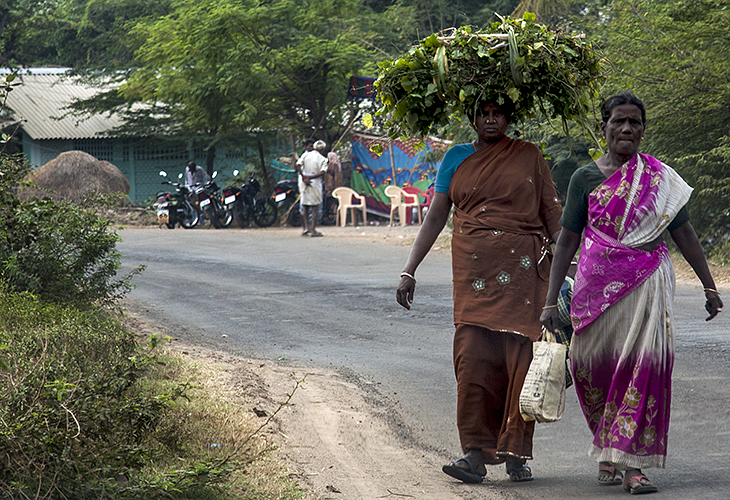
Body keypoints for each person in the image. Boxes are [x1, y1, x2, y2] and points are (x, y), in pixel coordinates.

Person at [540, 92, 723, 495]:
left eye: (634, 123)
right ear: (604, 127)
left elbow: (685, 235)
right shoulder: (584, 178)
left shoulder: (660, 180)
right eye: (618, 121)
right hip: (594, 289)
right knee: (591, 366)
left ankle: (632, 465)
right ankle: (609, 446)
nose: (626, 129)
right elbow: (568, 241)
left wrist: (709, 285)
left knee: (642, 367)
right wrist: (551, 301)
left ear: (643, 129)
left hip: (648, 284)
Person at [396, 99, 563, 484]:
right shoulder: (455, 157)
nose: (491, 120)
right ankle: (473, 454)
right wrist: (409, 270)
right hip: (473, 277)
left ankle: (514, 452)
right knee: (472, 362)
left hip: (524, 276)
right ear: (472, 119)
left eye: (498, 113)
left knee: (519, 363)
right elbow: (437, 215)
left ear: (509, 118)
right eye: (483, 113)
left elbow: (552, 214)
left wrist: (573, 263)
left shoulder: (529, 156)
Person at [295, 139, 328, 237]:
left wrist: (304, 176)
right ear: (322, 149)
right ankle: (313, 230)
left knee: (305, 205)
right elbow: (322, 172)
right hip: (315, 182)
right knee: (315, 207)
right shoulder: (323, 159)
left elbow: (298, 165)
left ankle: (305, 228)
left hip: (303, 182)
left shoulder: (305, 155)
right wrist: (310, 177)